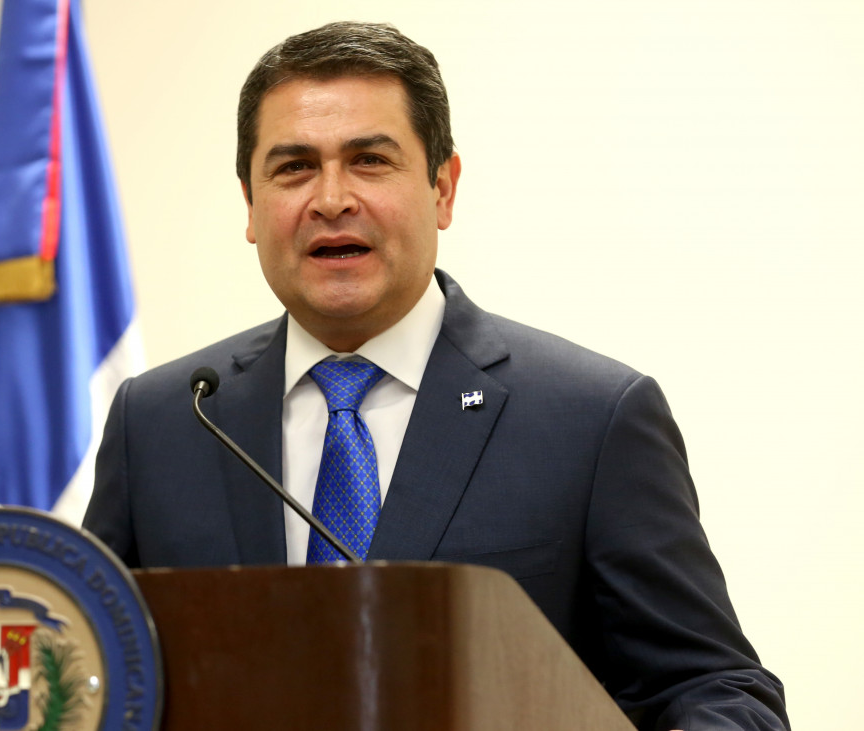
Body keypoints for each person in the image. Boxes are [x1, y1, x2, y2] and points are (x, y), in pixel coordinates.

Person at [84, 21, 789, 730]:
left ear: (443, 188)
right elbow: (87, 667)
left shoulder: (592, 418)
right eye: (294, 167)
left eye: (369, 160)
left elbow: (719, 690)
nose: (331, 198)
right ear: (250, 203)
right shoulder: (164, 421)